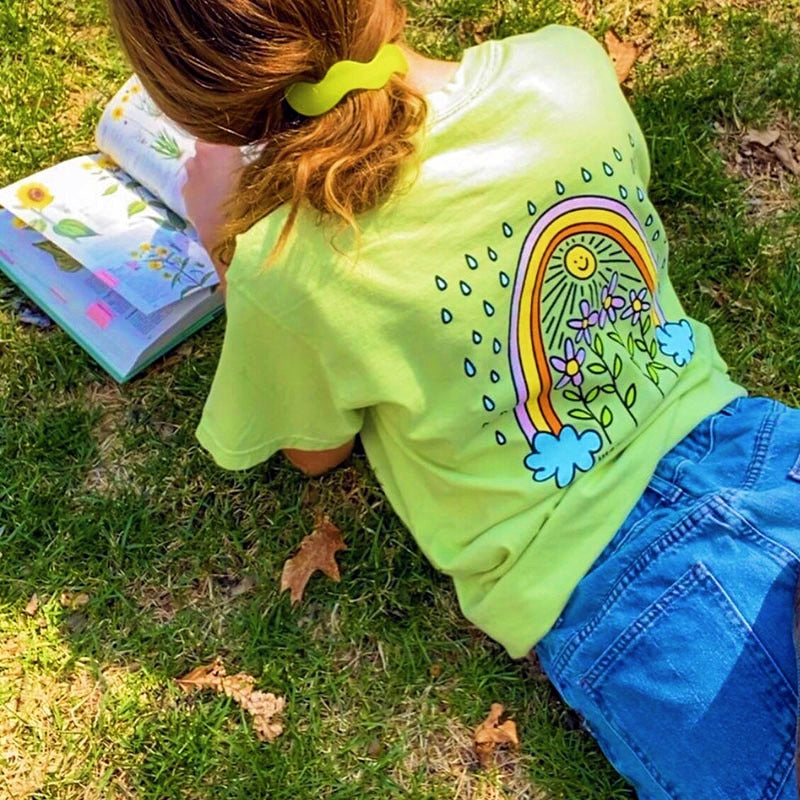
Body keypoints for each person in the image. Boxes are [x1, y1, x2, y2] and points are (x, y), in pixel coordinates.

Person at [107, 1, 800, 797]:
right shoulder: (570, 68)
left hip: (609, 584)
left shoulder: (284, 259)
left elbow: (314, 450)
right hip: (755, 446)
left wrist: (225, 238)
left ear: (211, 109)